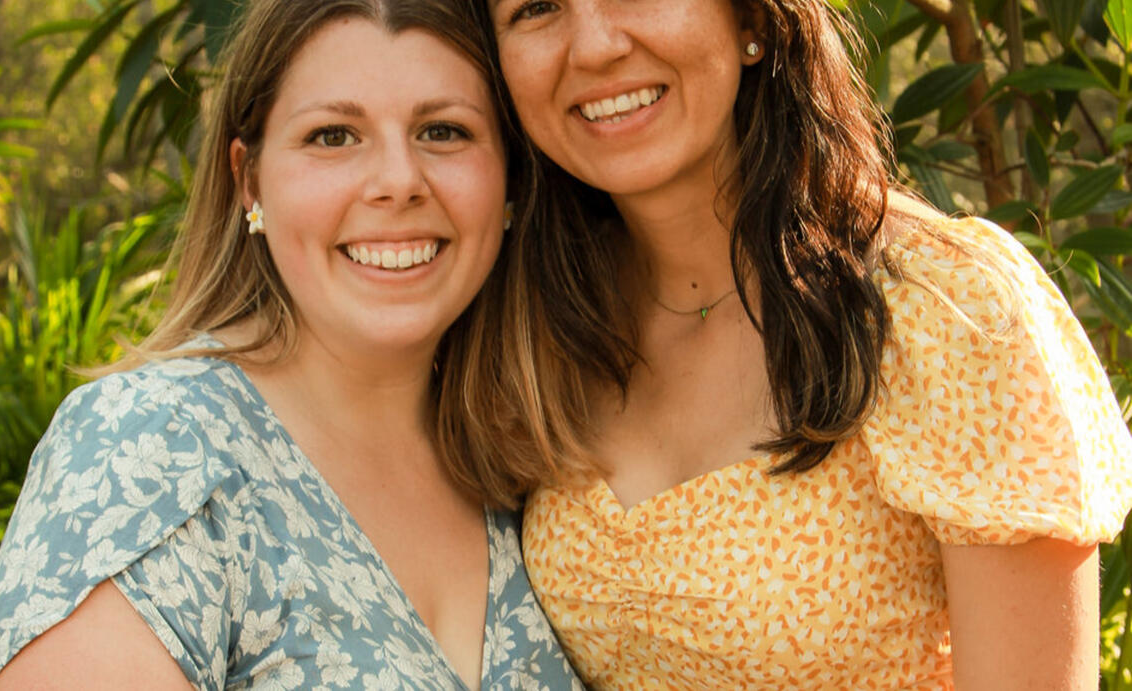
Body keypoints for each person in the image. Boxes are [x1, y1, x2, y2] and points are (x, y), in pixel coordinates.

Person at [467, 0, 1132, 688]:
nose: (594, 46)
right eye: (536, 7)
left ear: (752, 22)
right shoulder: (532, 322)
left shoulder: (947, 308)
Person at [0, 1, 584, 689]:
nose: (399, 182)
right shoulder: (150, 450)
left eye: (444, 131)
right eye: (333, 136)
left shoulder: (539, 474)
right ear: (249, 180)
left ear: (509, 179)